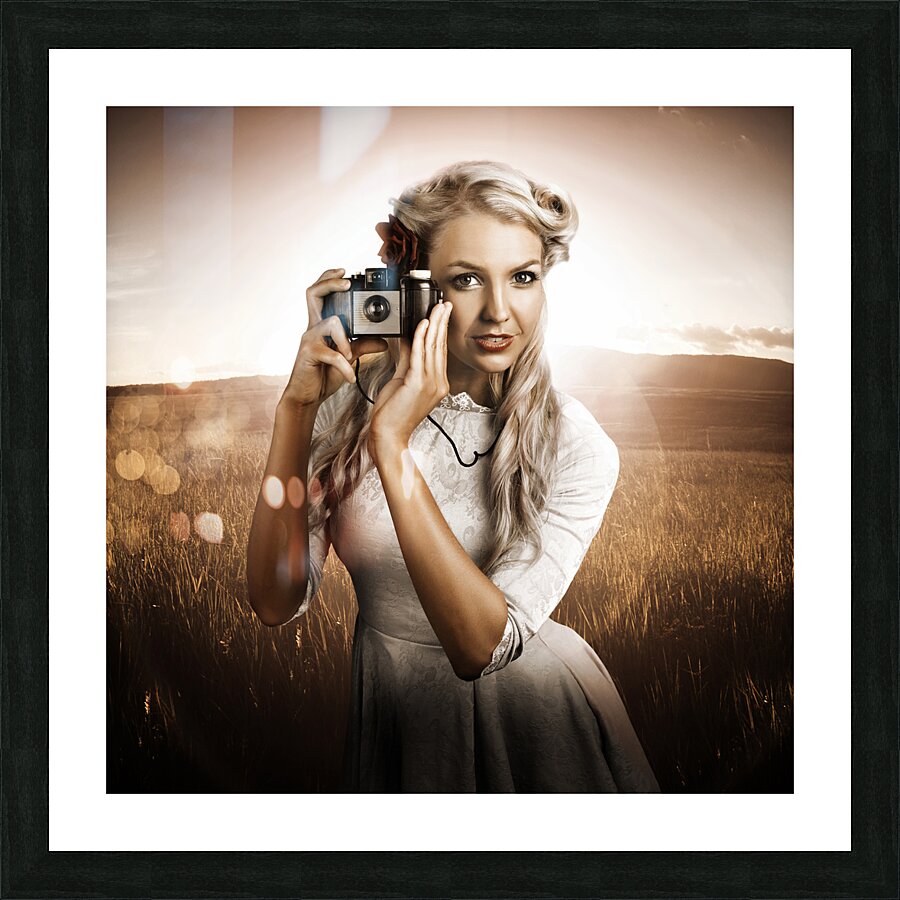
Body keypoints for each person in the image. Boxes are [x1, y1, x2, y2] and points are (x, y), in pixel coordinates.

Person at [247, 160, 660, 792]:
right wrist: (297, 409)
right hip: (396, 718)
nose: (499, 311)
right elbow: (275, 601)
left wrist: (393, 442)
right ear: (419, 287)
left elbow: (480, 647)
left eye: (522, 277)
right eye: (467, 279)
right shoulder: (346, 404)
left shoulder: (575, 444)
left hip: (535, 728)